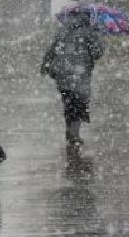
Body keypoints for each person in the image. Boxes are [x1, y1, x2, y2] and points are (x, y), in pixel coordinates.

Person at [41, 8, 106, 147]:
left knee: (68, 102)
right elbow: (98, 53)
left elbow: (52, 49)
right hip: (80, 74)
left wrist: (45, 65)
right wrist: (96, 36)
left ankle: (70, 130)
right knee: (79, 103)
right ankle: (74, 134)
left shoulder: (62, 30)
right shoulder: (89, 31)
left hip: (62, 74)